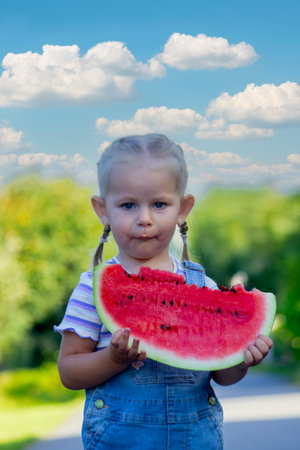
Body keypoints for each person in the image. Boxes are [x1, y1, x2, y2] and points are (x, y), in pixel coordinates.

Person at [55, 134, 273, 449]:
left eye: (159, 204)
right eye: (128, 205)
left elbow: (220, 375)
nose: (144, 219)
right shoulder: (92, 288)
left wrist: (241, 360)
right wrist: (115, 359)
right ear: (102, 210)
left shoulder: (204, 287)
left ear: (183, 209)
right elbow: (69, 372)